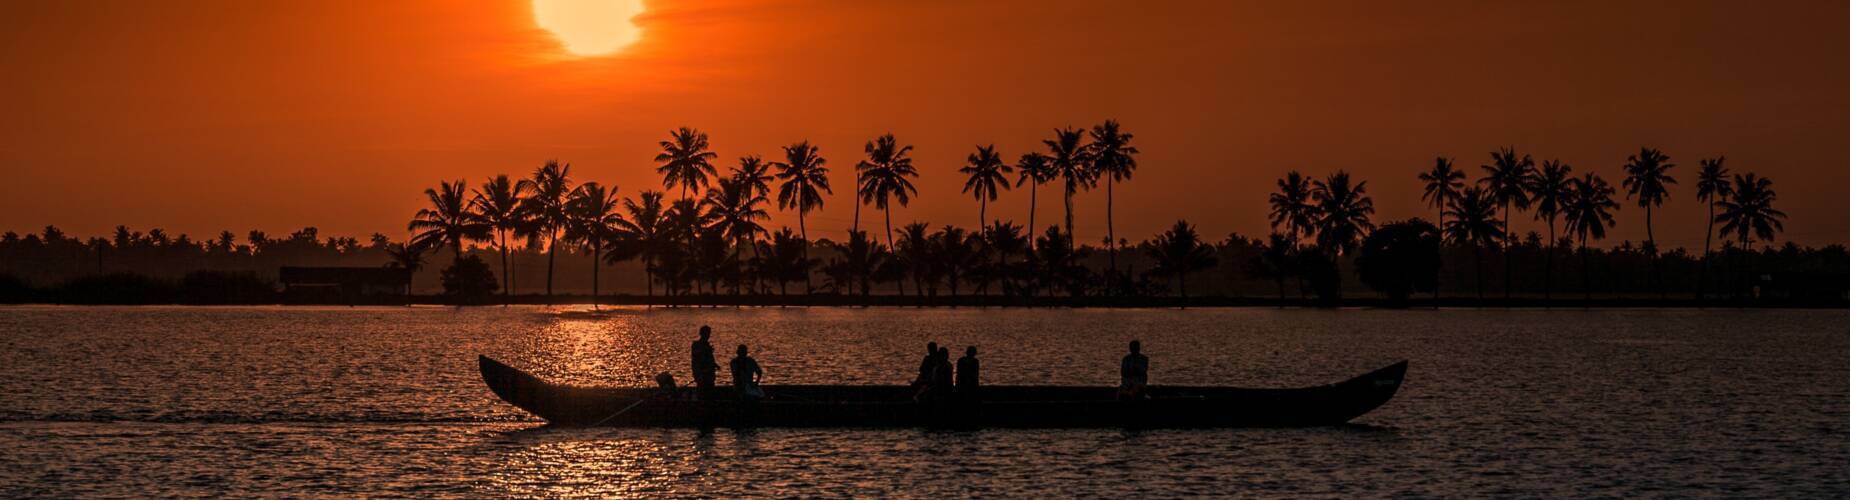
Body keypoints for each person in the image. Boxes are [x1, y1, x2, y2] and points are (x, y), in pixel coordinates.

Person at [690, 326, 718, 399]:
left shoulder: (707, 345)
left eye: (708, 333)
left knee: (710, 391)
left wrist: (715, 365)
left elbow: (710, 359)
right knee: (702, 392)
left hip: (709, 374)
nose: (708, 335)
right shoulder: (696, 345)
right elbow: (696, 357)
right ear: (701, 334)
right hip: (701, 374)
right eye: (706, 333)